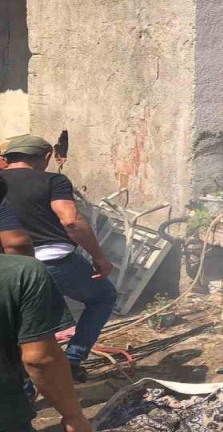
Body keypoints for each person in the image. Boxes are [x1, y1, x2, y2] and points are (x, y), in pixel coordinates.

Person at [0, 135, 115, 384]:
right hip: (55, 263)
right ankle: (72, 359)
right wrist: (99, 257)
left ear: (7, 158)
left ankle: (23, 390)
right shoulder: (53, 180)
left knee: (18, 327)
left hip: (7, 267)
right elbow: (71, 221)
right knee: (103, 296)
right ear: (46, 157)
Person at [0, 174, 93, 432]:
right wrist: (73, 416)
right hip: (7, 417)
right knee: (104, 297)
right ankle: (74, 357)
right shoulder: (20, 273)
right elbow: (40, 359)